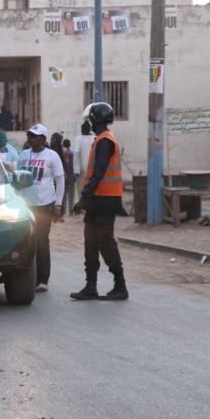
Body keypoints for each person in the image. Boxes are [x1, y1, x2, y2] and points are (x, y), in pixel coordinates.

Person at [71, 102, 128, 301]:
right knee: (90, 242)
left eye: (92, 120)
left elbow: (98, 173)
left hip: (106, 200)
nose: (90, 123)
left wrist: (82, 199)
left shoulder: (105, 141)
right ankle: (91, 286)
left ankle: (120, 285)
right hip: (97, 200)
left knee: (105, 241)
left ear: (97, 120)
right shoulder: (100, 140)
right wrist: (87, 199)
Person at [16, 123, 64, 293]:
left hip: (45, 204)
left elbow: (60, 180)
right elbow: (17, 179)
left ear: (42, 139)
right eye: (29, 135)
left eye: (34, 136)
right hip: (26, 205)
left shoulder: (52, 156)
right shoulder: (22, 155)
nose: (30, 138)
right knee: (25, 240)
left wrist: (58, 205)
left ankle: (43, 279)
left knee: (41, 241)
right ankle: (27, 276)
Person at [73, 120, 96, 188]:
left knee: (81, 188)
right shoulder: (95, 138)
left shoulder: (79, 139)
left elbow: (76, 154)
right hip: (93, 167)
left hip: (82, 169)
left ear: (82, 130)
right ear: (90, 129)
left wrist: (76, 170)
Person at [62, 138, 77, 212]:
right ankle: (70, 209)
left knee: (64, 194)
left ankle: (64, 210)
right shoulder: (71, 153)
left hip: (64, 176)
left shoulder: (63, 153)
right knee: (71, 194)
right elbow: (73, 166)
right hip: (71, 175)